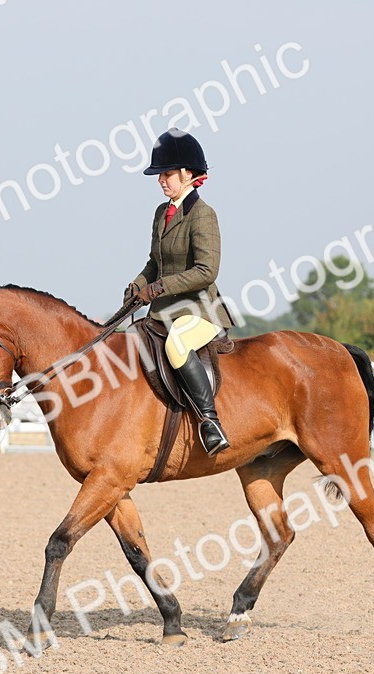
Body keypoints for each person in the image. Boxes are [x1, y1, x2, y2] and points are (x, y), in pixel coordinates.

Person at [125, 128, 236, 456]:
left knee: (178, 345)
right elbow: (154, 263)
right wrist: (138, 285)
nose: (161, 180)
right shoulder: (162, 213)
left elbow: (206, 271)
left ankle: (210, 421)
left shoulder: (203, 215)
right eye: (160, 175)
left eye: (167, 174)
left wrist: (159, 287)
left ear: (188, 174)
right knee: (129, 342)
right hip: (163, 311)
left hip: (201, 311)